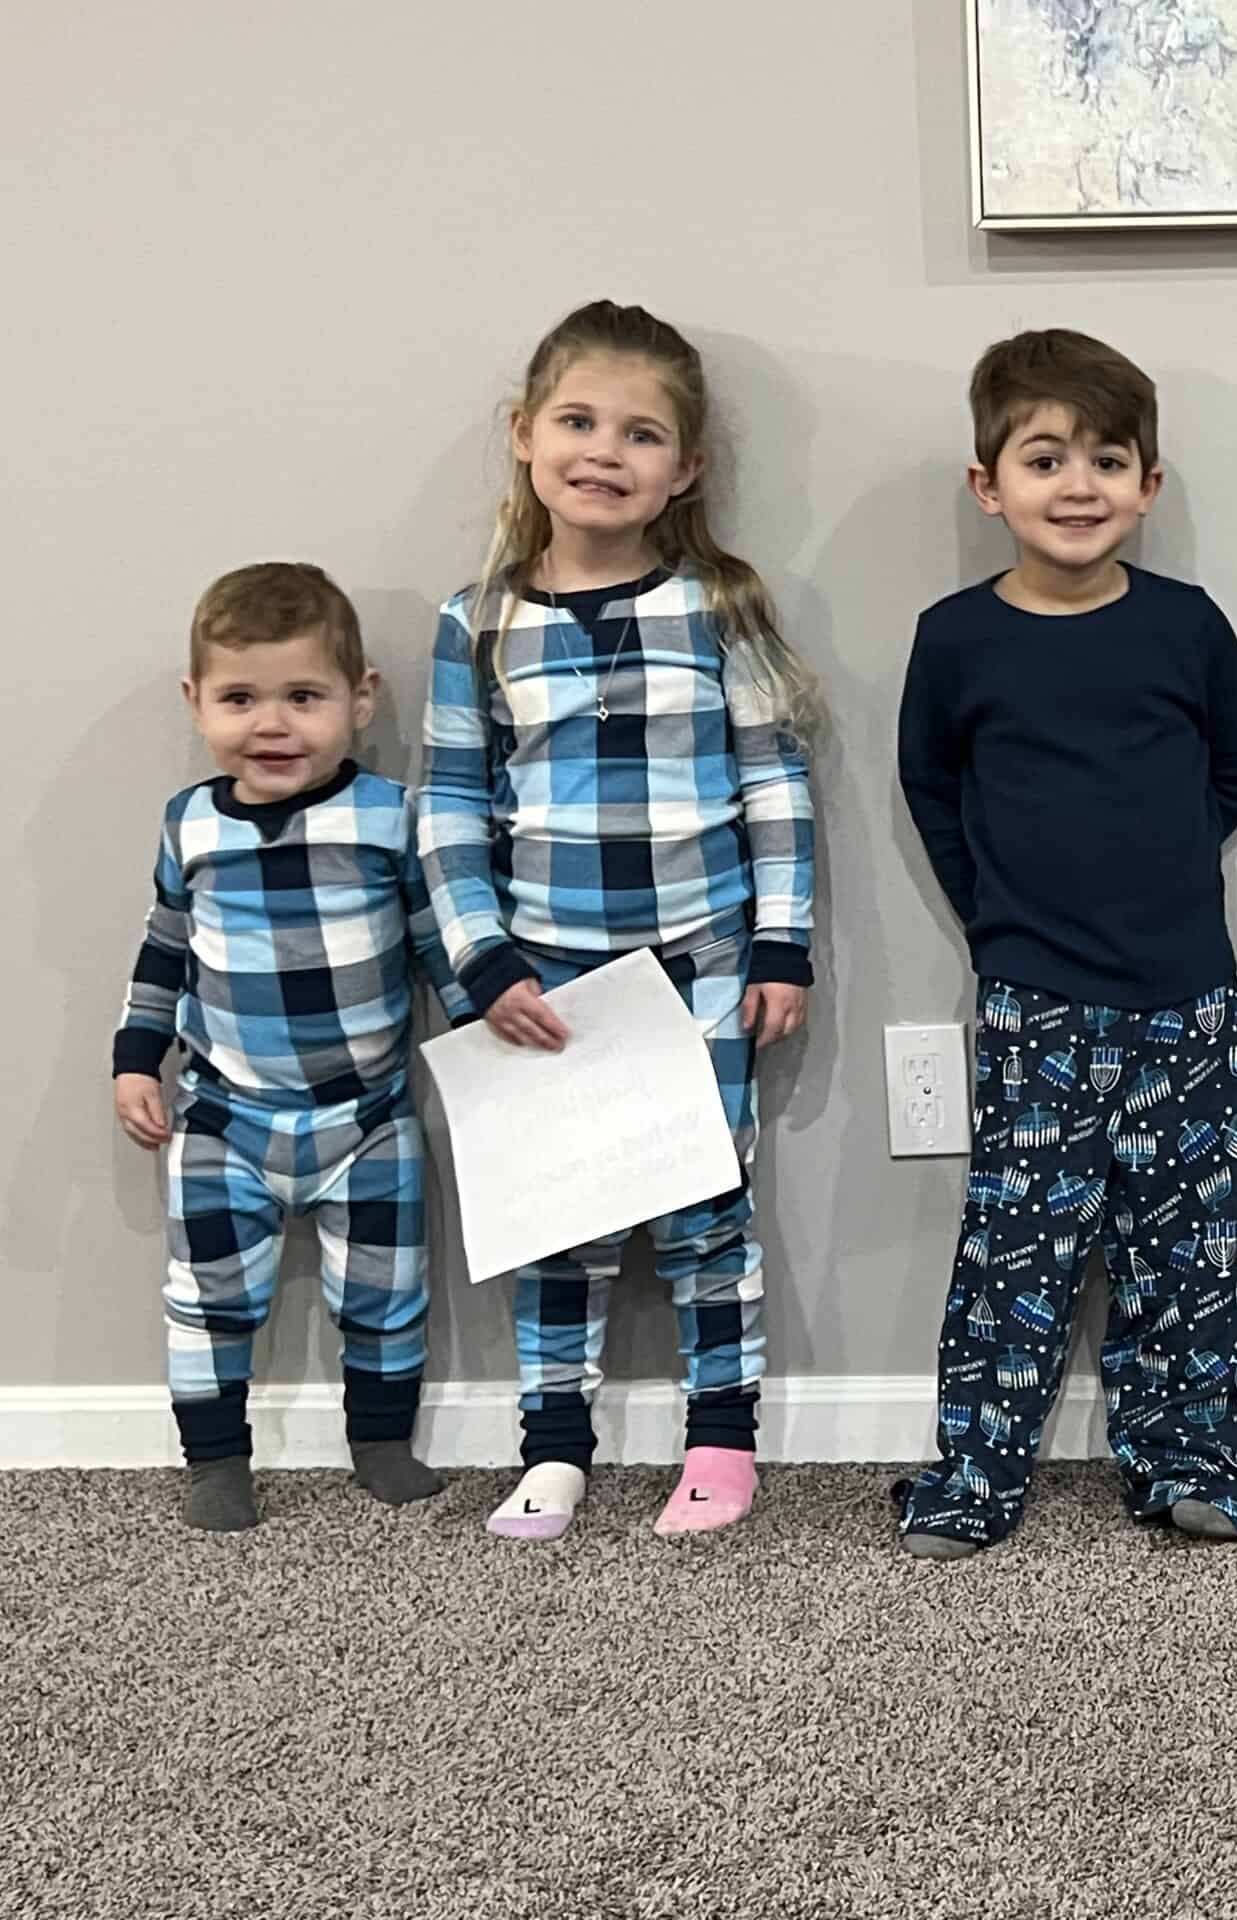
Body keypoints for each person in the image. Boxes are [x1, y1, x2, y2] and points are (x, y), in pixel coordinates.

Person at [420, 300, 820, 1541]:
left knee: (708, 1214)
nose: (605, 451)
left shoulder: (716, 605)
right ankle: (553, 1448)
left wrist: (781, 940)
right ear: (524, 436)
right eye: (578, 421)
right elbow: (447, 804)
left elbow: (773, 781)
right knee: (559, 1224)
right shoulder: (477, 621)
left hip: (698, 969)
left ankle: (720, 1440)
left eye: (642, 434)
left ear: (684, 469)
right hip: (543, 984)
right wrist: (480, 961)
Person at [894, 329, 1237, 1557]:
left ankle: (1195, 1461)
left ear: (1148, 485)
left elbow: (1235, 767)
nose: (1077, 485)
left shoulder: (1185, 625)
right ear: (986, 485)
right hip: (1032, 1000)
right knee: (1016, 1251)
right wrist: (1001, 916)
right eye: (1044, 457)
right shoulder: (955, 638)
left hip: (1185, 997)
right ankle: (973, 1477)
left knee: (1192, 1254)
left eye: (1108, 459)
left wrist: (1153, 882)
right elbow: (932, 791)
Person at [114, 562, 466, 1530]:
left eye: (303, 697)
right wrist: (135, 1059)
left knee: (386, 1294)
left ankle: (381, 1442)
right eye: (239, 698)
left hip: (368, 1115)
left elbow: (438, 942)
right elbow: (163, 951)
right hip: (228, 1116)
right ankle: (217, 1458)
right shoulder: (191, 827)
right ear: (197, 703)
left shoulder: (389, 817)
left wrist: (486, 1025)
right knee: (209, 1298)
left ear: (360, 701)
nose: (271, 724)